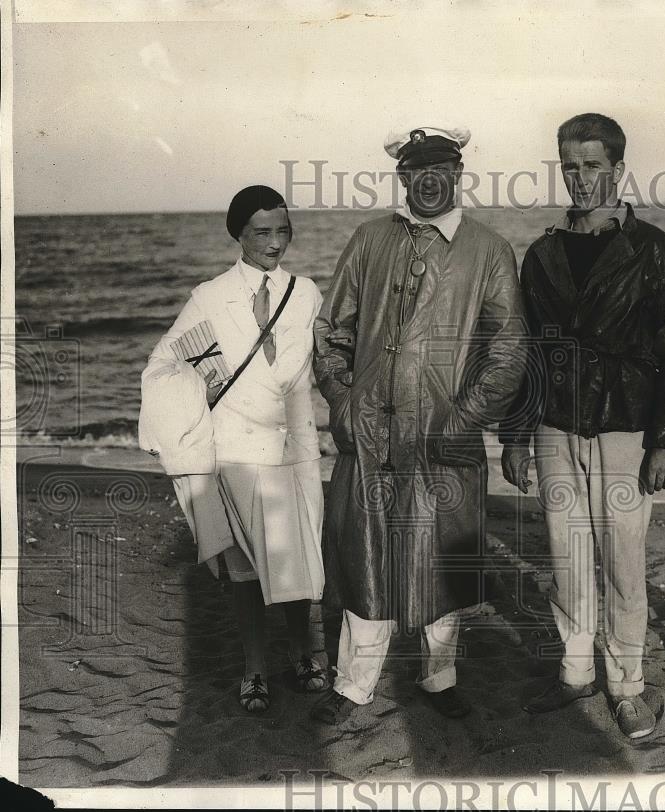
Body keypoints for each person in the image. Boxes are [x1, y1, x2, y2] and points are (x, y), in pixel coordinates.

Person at [310, 125, 527, 722]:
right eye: (416, 169)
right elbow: (332, 331)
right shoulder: (369, 238)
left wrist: (465, 419)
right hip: (372, 439)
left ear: (459, 175)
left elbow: (507, 350)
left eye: (441, 168)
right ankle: (353, 686)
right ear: (401, 177)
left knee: (443, 563)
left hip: (445, 439)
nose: (429, 179)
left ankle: (440, 678)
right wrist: (344, 402)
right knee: (366, 560)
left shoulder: (488, 250)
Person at [499, 113, 665, 739]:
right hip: (556, 426)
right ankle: (576, 672)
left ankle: (629, 687)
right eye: (569, 166)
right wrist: (515, 434)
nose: (580, 179)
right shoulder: (543, 253)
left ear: (617, 169)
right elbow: (526, 350)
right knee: (566, 555)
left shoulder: (657, 253)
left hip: (624, 426)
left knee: (622, 561)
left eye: (592, 165)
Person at [139, 185, 328, 713]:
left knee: (295, 562)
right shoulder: (210, 295)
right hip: (233, 450)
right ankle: (253, 669)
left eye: (283, 231)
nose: (274, 242)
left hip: (292, 447)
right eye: (262, 232)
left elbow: (319, 364)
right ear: (239, 235)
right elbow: (164, 366)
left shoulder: (306, 292)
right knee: (245, 569)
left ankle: (302, 654)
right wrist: (207, 391)